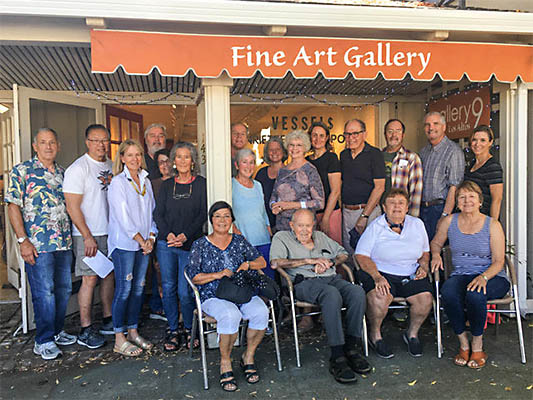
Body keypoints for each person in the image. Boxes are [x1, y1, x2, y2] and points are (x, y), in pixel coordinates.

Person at [270, 209, 370, 384]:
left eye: (308, 226)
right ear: (292, 225)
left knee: (357, 292)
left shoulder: (321, 237)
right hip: (303, 283)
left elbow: (343, 254)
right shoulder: (282, 237)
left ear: (313, 226)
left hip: (331, 278)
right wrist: (309, 261)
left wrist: (331, 262)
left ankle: (351, 347)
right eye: (300, 225)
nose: (304, 230)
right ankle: (337, 356)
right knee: (331, 295)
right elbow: (275, 263)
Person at [6, 128, 76, 360]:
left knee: (64, 289)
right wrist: (22, 240)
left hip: (63, 242)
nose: (48, 146)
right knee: (44, 292)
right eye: (43, 142)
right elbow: (13, 206)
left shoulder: (64, 173)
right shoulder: (22, 171)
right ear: (35, 146)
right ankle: (43, 340)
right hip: (38, 244)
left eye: (52, 142)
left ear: (58, 146)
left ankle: (56, 331)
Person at [188, 201, 268, 392]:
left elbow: (261, 261)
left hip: (241, 291)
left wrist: (248, 265)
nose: (222, 220)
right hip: (213, 295)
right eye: (218, 216)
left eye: (226, 216)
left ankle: (248, 356)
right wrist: (217, 275)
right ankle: (225, 362)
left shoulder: (239, 241)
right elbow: (194, 277)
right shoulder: (200, 245)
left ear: (232, 220)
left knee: (261, 312)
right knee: (231, 315)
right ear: (211, 220)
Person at [430, 181, 509, 369]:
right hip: (461, 274)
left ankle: (477, 346)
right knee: (448, 293)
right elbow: (436, 243)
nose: (467, 201)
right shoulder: (450, 222)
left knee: (475, 294)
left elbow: (499, 261)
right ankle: (463, 344)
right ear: (457, 203)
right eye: (462, 197)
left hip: (492, 276)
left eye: (471, 197)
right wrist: (435, 255)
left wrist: (483, 277)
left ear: (480, 201)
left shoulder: (492, 225)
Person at [355, 189, 433, 359]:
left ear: (407, 207)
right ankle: (375, 335)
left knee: (425, 299)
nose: (396, 206)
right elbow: (361, 255)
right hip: (382, 272)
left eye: (401, 203)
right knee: (380, 296)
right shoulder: (375, 226)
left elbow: (425, 253)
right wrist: (377, 276)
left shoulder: (417, 224)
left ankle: (412, 334)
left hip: (411, 272)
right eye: (392, 202)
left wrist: (424, 267)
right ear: (384, 207)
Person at [64, 124, 114, 349]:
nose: (101, 145)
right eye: (96, 140)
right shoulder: (78, 168)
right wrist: (86, 236)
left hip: (110, 232)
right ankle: (86, 328)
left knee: (109, 276)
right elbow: (72, 207)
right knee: (90, 279)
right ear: (87, 142)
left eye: (105, 140)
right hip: (88, 234)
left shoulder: (111, 165)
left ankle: (108, 318)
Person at [154, 142, 207, 351]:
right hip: (166, 243)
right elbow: (158, 214)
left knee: (186, 290)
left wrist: (185, 236)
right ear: (173, 161)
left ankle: (189, 327)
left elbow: (202, 214)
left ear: (192, 161)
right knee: (168, 288)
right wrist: (169, 234)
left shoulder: (201, 184)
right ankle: (173, 329)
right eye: (179, 157)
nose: (183, 161)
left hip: (190, 243)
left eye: (187, 157)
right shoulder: (167, 185)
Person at [107, 139, 157, 357]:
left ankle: (133, 331)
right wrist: (140, 240)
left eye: (138, 155)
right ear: (122, 158)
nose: (135, 159)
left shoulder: (146, 180)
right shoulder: (118, 183)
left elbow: (152, 213)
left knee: (139, 288)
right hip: (125, 245)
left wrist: (151, 237)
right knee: (125, 289)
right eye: (130, 155)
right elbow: (123, 217)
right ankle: (119, 338)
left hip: (144, 245)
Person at [340, 119, 385, 253]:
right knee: (349, 253)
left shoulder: (375, 154)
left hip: (368, 211)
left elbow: (380, 187)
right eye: (347, 134)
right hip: (347, 212)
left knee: (369, 253)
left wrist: (364, 216)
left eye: (355, 134)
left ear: (364, 134)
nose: (350, 138)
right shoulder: (344, 155)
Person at [419, 112, 465, 240]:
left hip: (439, 209)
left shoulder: (453, 151)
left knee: (437, 248)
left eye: (435, 124)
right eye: (427, 125)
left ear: (444, 127)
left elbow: (454, 187)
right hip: (422, 209)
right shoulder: (423, 152)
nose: (431, 128)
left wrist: (445, 216)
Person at [269, 130, 325, 232]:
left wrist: (291, 205)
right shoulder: (282, 170)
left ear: (305, 148)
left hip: (303, 227)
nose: (294, 148)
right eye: (291, 145)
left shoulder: (310, 170)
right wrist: (274, 205)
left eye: (299, 145)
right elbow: (273, 196)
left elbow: (319, 203)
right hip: (282, 227)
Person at [232, 148, 273, 278]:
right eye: (244, 162)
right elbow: (226, 214)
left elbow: (263, 211)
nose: (248, 166)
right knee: (248, 281)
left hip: (263, 240)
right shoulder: (230, 185)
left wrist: (269, 230)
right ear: (237, 165)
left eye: (252, 162)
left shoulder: (258, 185)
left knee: (267, 281)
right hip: (244, 241)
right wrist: (236, 232)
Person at [143, 123, 167, 320]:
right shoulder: (140, 161)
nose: (157, 139)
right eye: (153, 135)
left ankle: (159, 304)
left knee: (161, 267)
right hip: (145, 223)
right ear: (146, 140)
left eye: (160, 136)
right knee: (149, 267)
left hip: (166, 224)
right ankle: (152, 304)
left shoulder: (169, 159)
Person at [306, 122, 342, 243]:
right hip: (311, 214)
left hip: (330, 213)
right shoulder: (306, 161)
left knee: (332, 248)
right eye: (314, 135)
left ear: (326, 138)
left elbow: (335, 191)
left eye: (321, 136)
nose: (318, 139)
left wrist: (326, 218)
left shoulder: (331, 158)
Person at [381, 119, 423, 217]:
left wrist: (412, 218)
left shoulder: (412, 158)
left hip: (399, 212)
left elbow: (416, 191)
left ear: (403, 135)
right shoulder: (377, 156)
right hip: (378, 211)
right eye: (390, 131)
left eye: (398, 131)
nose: (394, 135)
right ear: (385, 134)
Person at [464, 125, 503, 219]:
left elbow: (496, 200)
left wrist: (492, 224)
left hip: (482, 219)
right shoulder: (472, 164)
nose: (477, 144)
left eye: (482, 140)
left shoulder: (492, 166)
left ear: (490, 142)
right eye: (474, 140)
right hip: (468, 218)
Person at [255, 136, 288, 229]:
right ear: (267, 153)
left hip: (286, 223)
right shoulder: (261, 173)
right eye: (271, 150)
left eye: (277, 149)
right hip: (264, 223)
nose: (274, 152)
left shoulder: (290, 172)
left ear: (283, 151)